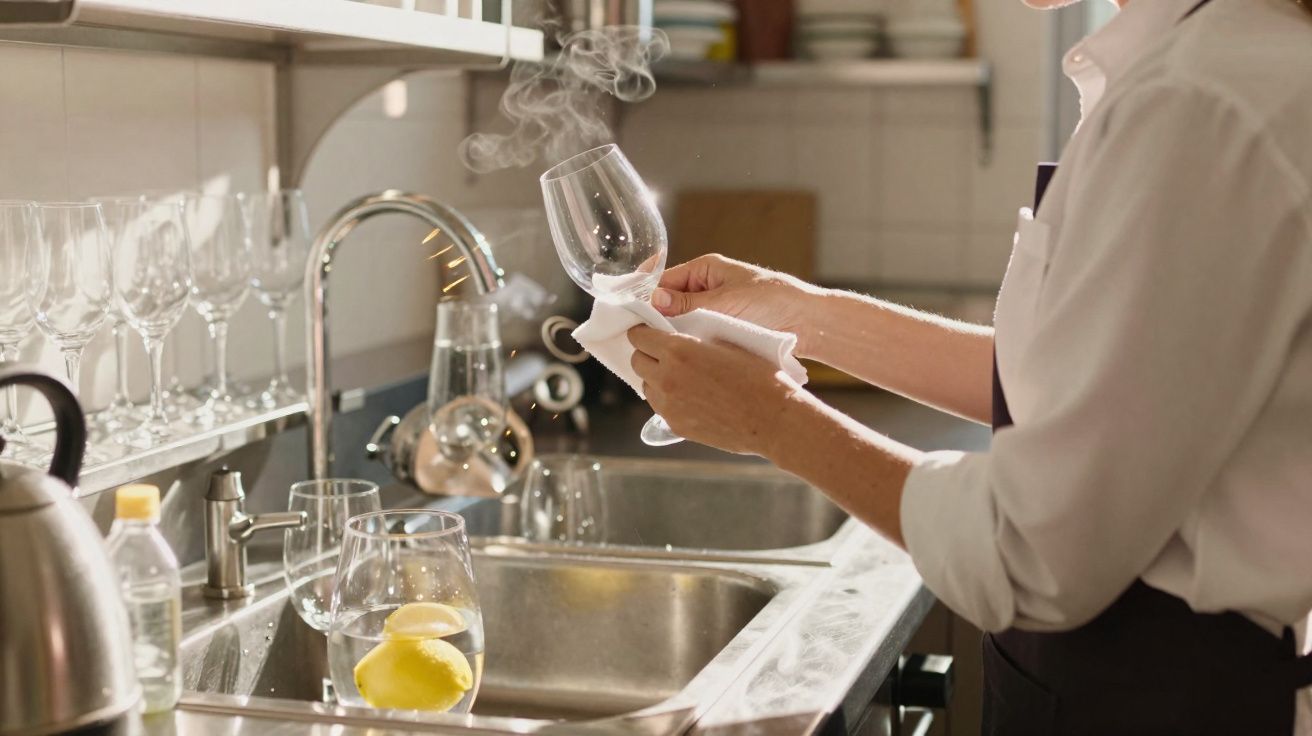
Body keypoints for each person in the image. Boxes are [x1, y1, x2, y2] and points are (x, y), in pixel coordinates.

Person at [626, 0, 1312, 732]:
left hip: (1160, 702)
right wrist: (802, 313)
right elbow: (1087, 385)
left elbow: (1035, 553)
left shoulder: (1198, 103)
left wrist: (773, 421)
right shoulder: (1198, 69)